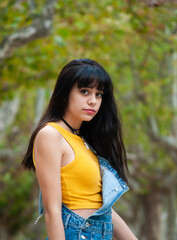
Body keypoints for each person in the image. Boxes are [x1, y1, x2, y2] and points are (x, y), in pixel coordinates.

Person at [22, 58, 137, 240]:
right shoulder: (51, 135)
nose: (93, 101)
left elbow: (102, 208)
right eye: (85, 92)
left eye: (98, 94)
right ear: (65, 93)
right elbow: (52, 210)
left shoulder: (83, 142)